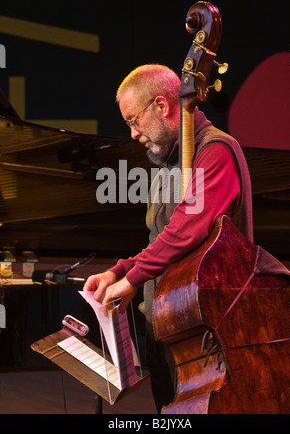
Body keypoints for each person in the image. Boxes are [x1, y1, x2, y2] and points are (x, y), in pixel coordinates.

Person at [83, 64, 253, 412]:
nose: (132, 133)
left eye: (134, 120)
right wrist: (119, 271)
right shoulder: (167, 166)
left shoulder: (215, 151)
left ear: (161, 105)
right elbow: (161, 239)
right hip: (165, 326)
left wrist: (131, 279)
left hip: (203, 333)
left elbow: (186, 231)